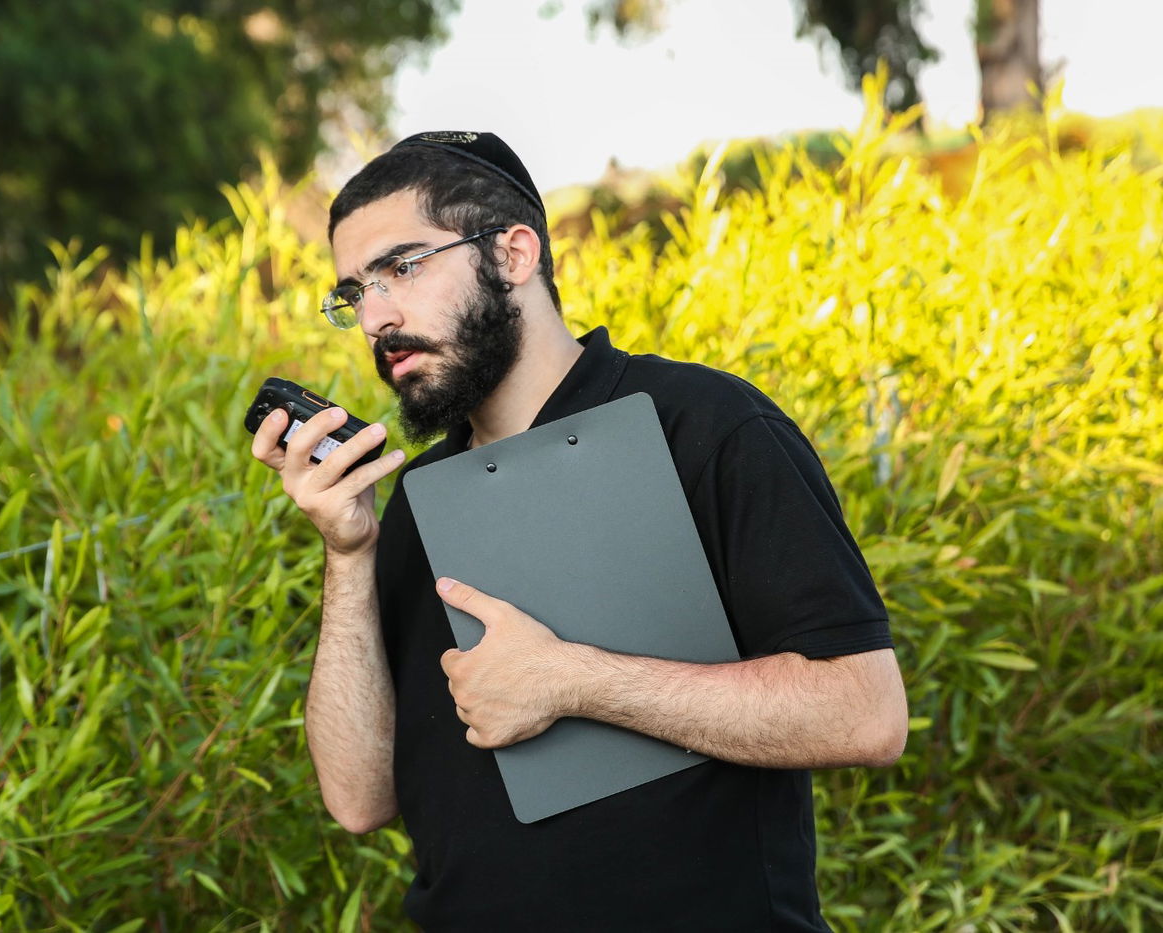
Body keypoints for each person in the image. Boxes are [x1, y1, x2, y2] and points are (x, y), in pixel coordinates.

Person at [250, 131, 908, 931]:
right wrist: (349, 554)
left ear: (515, 253)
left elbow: (865, 713)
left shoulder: (708, 422)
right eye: (355, 291)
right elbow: (358, 799)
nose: (376, 317)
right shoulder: (419, 493)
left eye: (403, 266)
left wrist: (573, 680)